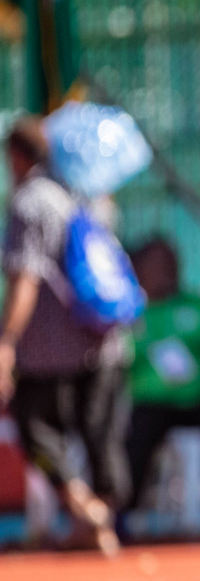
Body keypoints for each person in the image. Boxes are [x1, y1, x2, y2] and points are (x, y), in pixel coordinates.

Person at [0, 118, 127, 554]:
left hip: (50, 349)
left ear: (17, 156)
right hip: (103, 338)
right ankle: (99, 522)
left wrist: (5, 342)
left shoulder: (29, 203)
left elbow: (24, 280)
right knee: (97, 435)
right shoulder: (84, 197)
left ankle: (83, 507)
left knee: (35, 429)